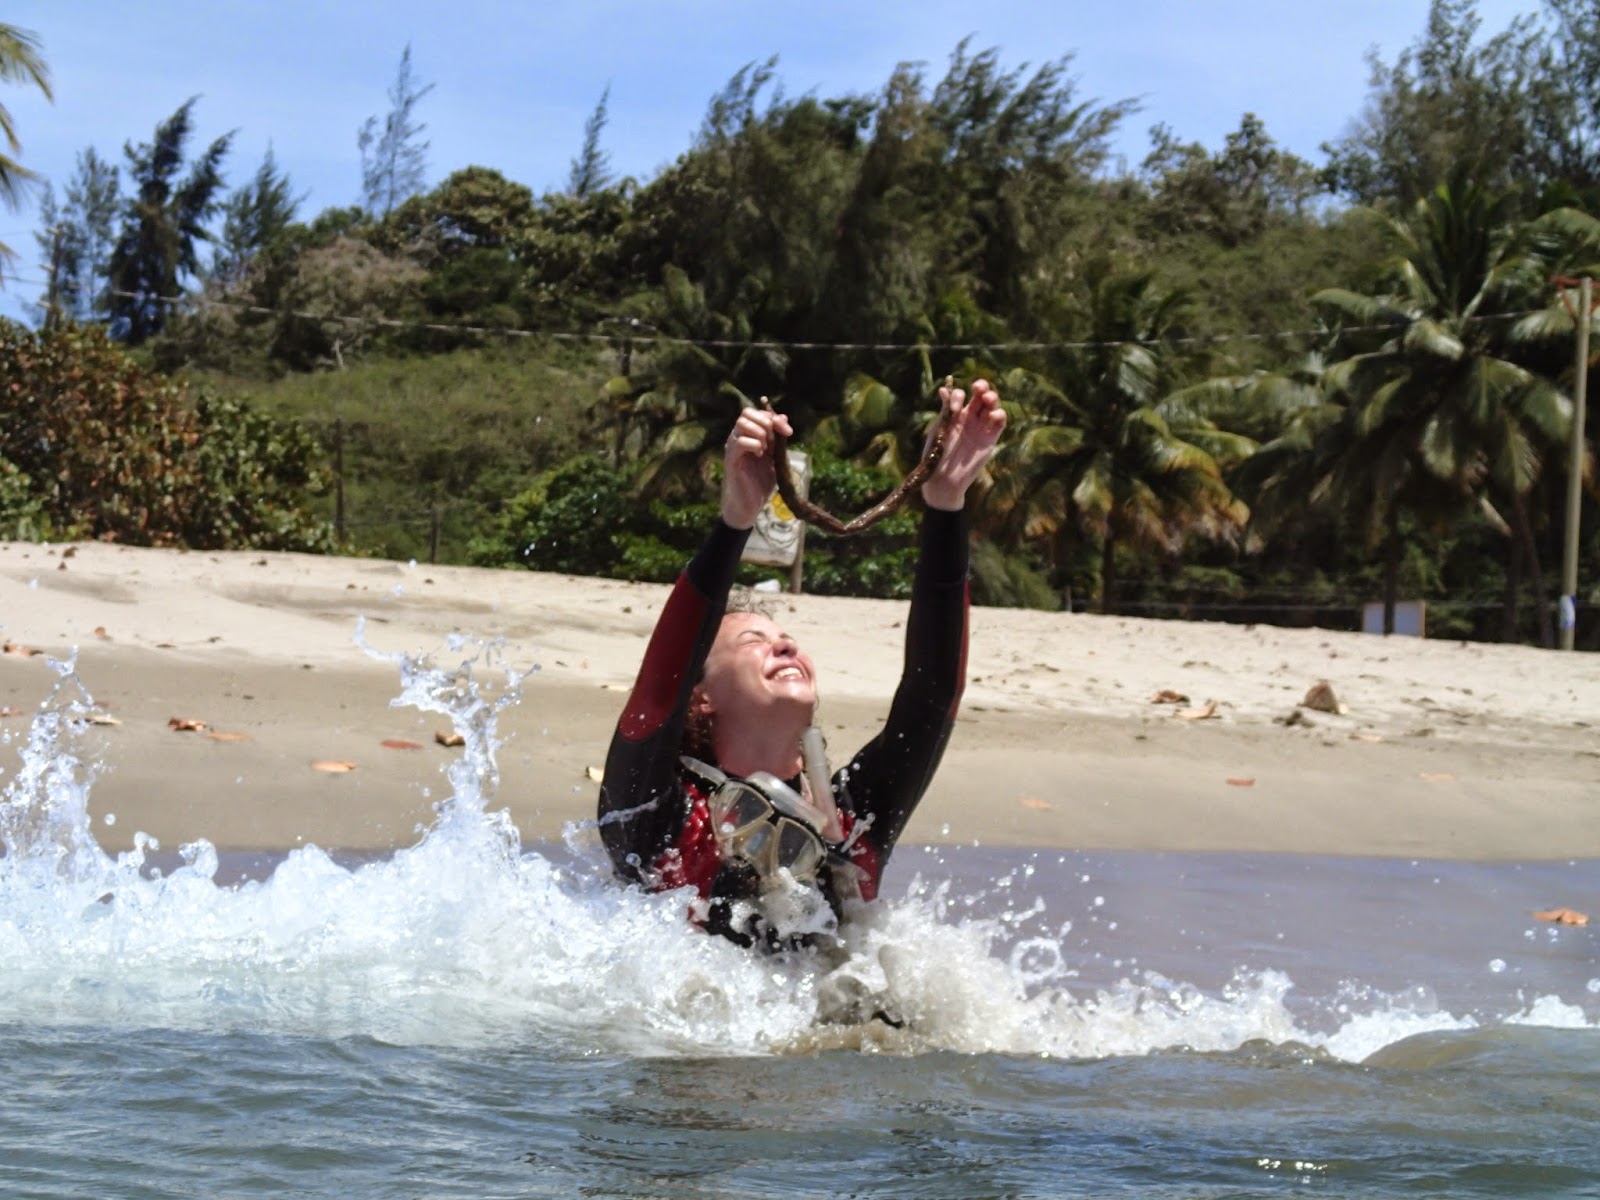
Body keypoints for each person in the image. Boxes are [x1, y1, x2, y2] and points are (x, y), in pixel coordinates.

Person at [597, 379, 1005, 948]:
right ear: (701, 694)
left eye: (788, 638)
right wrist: (735, 521)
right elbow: (657, 693)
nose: (785, 646)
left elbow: (932, 695)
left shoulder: (855, 816)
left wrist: (946, 505)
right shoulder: (651, 815)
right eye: (753, 642)